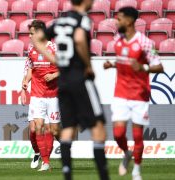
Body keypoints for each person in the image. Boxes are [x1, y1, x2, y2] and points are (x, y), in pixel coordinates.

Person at [31, 0, 110, 179]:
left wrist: (55, 60)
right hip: (80, 78)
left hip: (64, 82)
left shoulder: (60, 21)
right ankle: (104, 175)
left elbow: (37, 39)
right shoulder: (82, 19)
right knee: (98, 126)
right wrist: (88, 65)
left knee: (67, 127)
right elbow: (80, 39)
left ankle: (67, 172)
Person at [103, 7, 164, 180]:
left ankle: (136, 170)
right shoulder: (117, 40)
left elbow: (159, 66)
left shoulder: (146, 43)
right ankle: (126, 153)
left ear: (129, 21)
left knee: (137, 135)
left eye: (119, 18)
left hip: (139, 94)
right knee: (118, 134)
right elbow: (125, 61)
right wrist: (112, 65)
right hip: (121, 93)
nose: (116, 22)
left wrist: (143, 67)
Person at [20, 20, 61, 171]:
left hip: (53, 95)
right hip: (37, 95)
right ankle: (45, 162)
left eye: (32, 33)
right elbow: (30, 68)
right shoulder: (31, 49)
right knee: (38, 126)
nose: (29, 36)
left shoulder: (55, 48)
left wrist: (54, 75)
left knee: (53, 130)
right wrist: (25, 82)